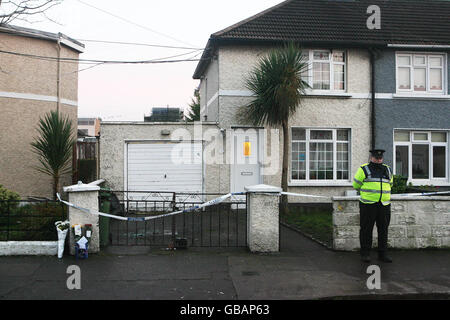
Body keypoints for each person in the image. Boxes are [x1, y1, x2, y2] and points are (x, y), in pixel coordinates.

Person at [352, 149, 393, 263]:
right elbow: (356, 185)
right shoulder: (363, 169)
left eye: (380, 158)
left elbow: (390, 184)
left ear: (382, 158)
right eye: (376, 157)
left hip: (384, 204)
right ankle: (365, 254)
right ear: (371, 157)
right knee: (366, 229)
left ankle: (383, 254)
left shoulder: (388, 169)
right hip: (368, 204)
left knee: (383, 230)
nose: (378, 159)